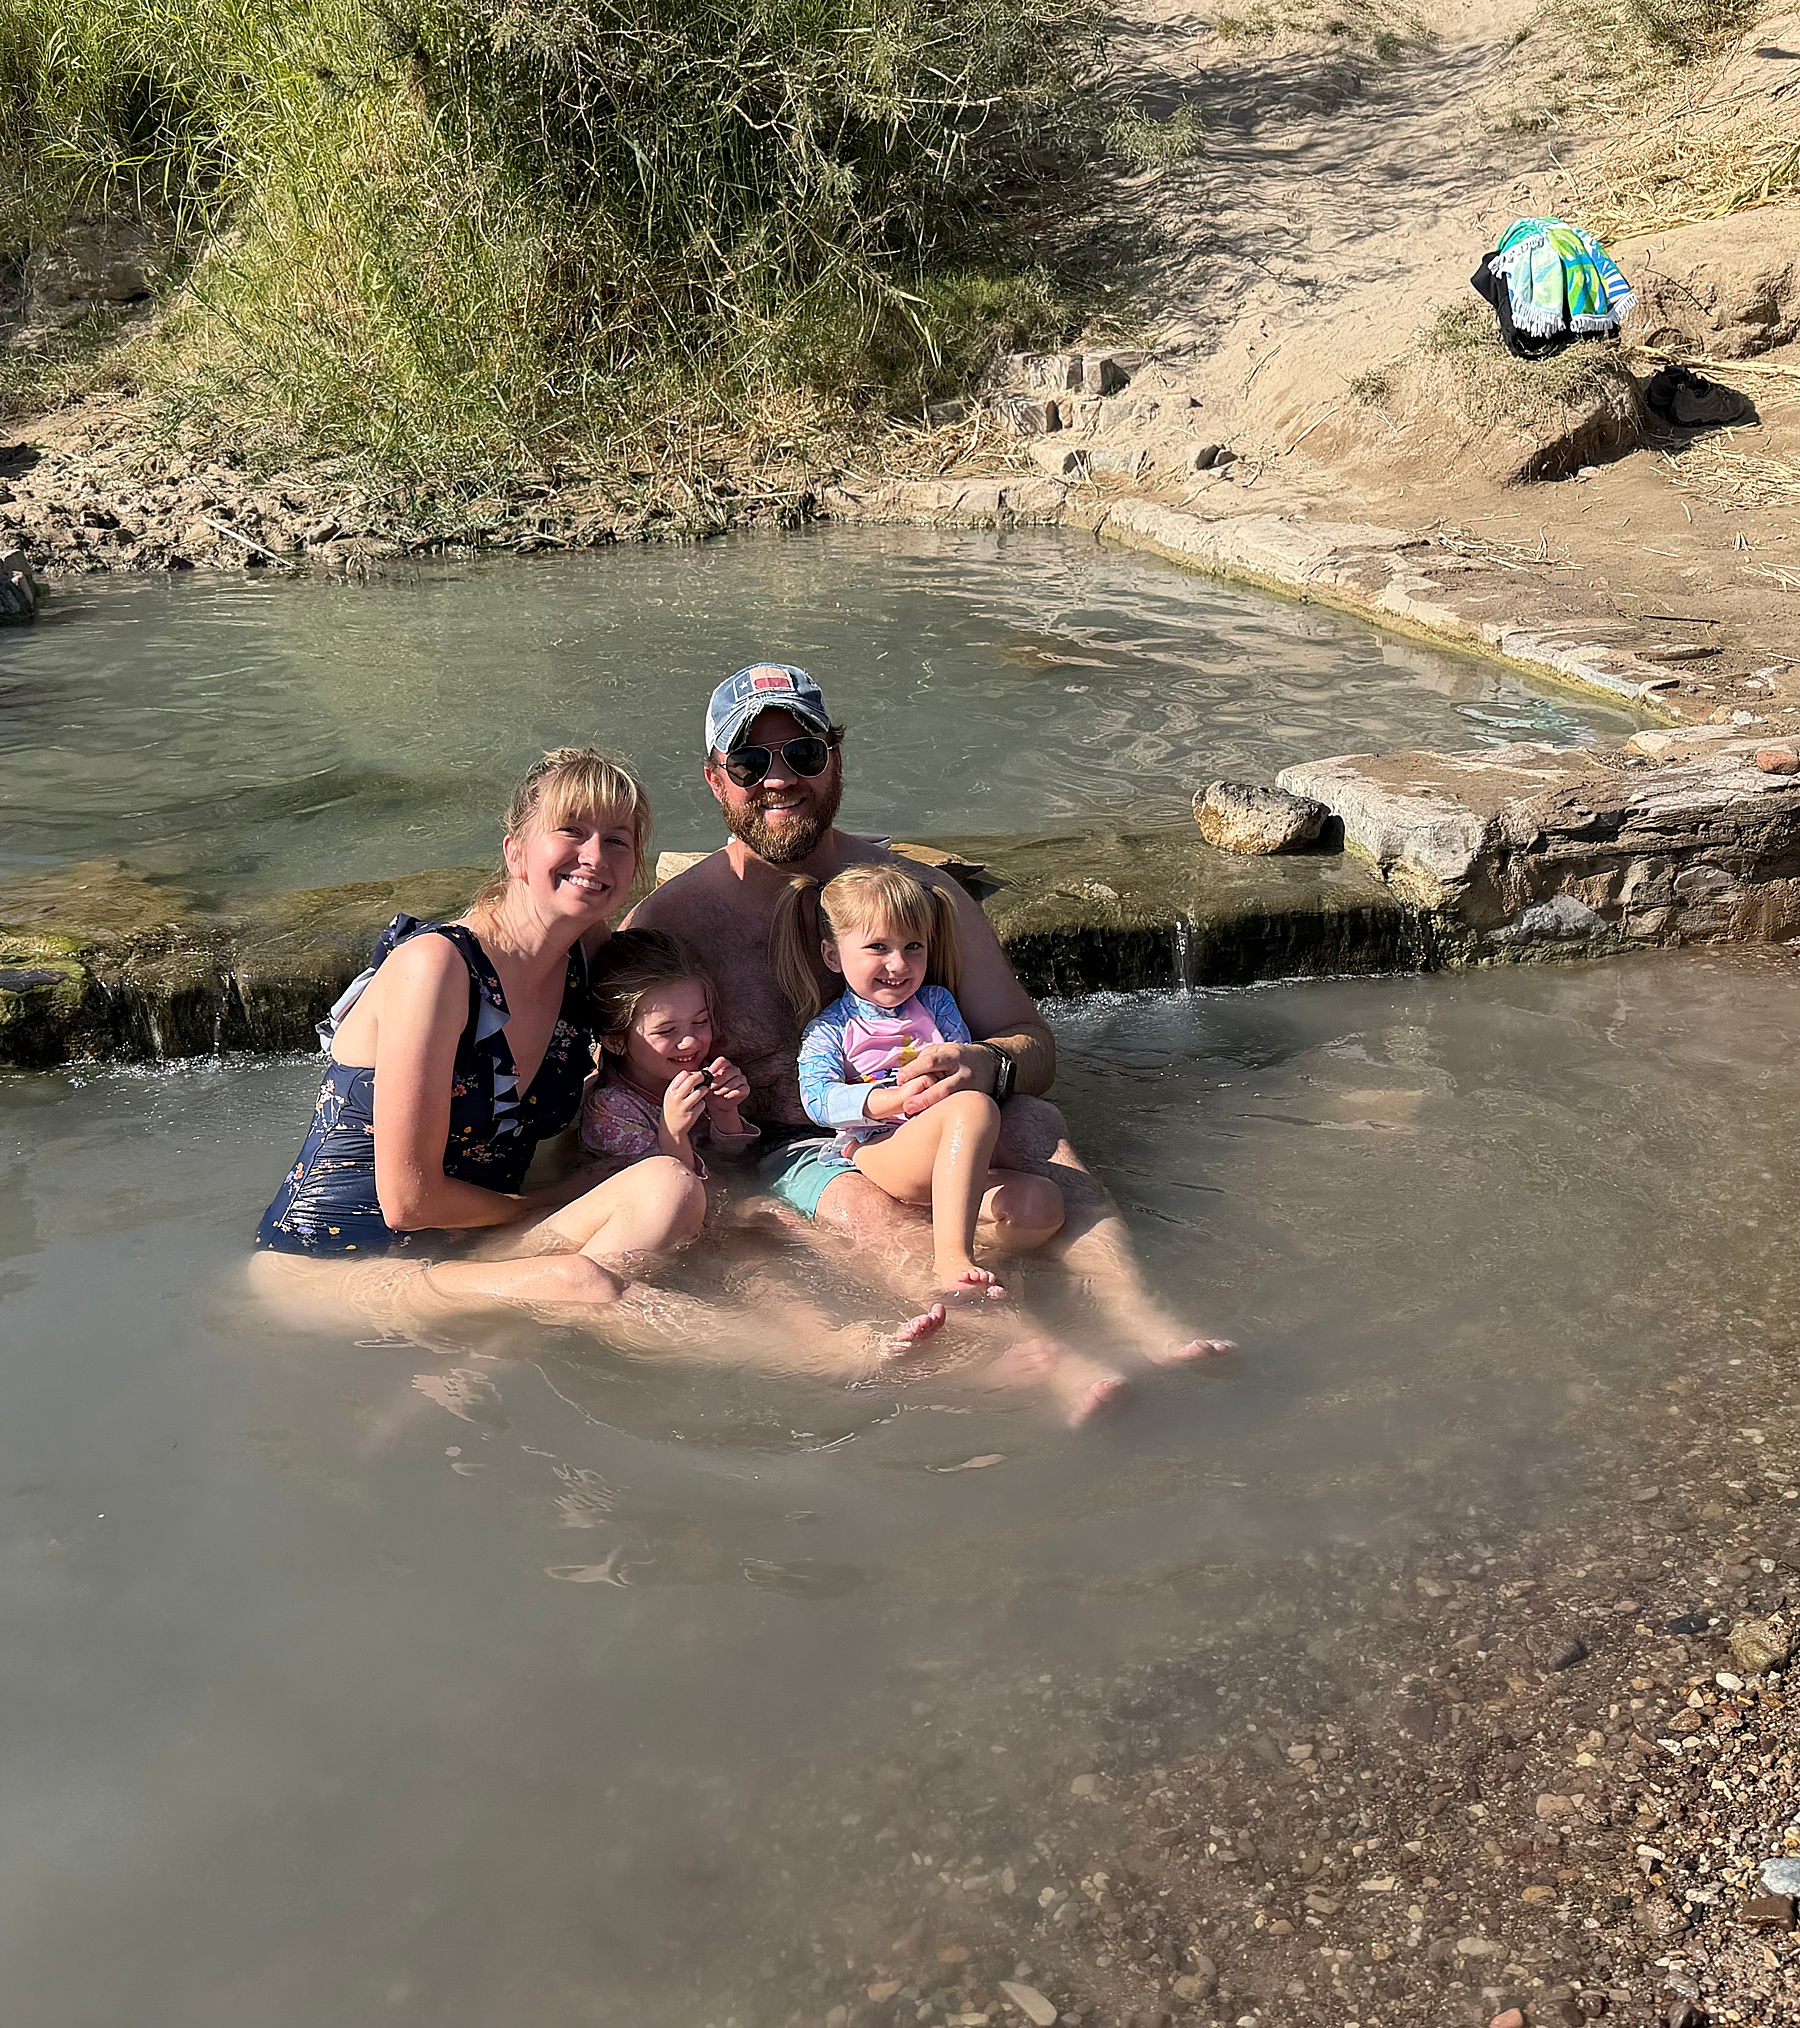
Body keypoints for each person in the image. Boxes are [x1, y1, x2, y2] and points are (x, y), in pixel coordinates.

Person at [630, 662, 1232, 1387]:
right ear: (716, 779)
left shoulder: (923, 896)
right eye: (751, 760)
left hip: (930, 1125)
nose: (779, 778)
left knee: (1040, 1125)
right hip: (794, 1152)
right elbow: (622, 1096)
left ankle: (1142, 1319)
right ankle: (1038, 1359)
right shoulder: (672, 925)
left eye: (803, 754)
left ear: (836, 760)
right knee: (863, 1207)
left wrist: (985, 1065)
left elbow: (1031, 1045)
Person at [775, 861, 1064, 1303]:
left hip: (945, 1152)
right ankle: (951, 1260)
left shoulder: (937, 1003)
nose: (898, 964)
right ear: (833, 955)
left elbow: (960, 1061)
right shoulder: (831, 1029)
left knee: (1040, 1207)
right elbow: (817, 1099)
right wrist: (889, 1101)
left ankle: (986, 1260)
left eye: (913, 946)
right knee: (973, 1107)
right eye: (877, 947)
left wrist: (963, 1066)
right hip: (879, 1151)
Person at [580, 928, 758, 1179]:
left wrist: (724, 1112)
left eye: (700, 1021)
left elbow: (738, 1167)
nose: (689, 1042)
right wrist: (673, 1133)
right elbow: (670, 1197)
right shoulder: (610, 1111)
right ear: (615, 1041)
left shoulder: (702, 1073)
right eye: (666, 1031)